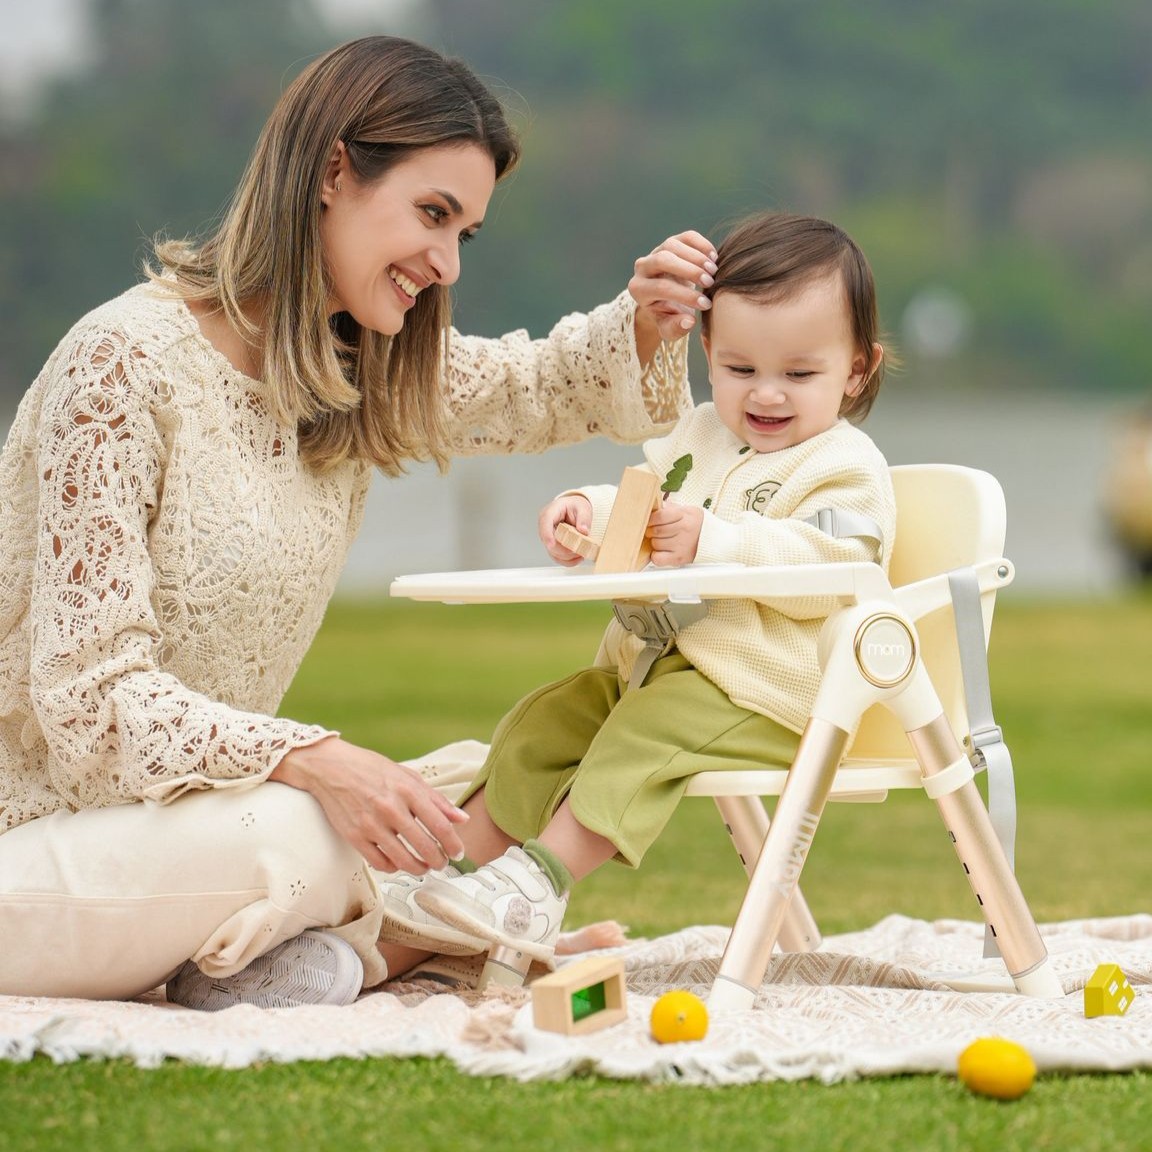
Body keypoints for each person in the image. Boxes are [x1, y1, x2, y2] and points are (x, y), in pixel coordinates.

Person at [0, 35, 716, 1008]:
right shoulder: (124, 362)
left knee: (487, 782)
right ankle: (407, 942)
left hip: (198, 835)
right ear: (334, 170)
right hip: (35, 851)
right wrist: (311, 760)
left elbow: (538, 387)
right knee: (308, 827)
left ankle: (300, 960)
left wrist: (644, 319)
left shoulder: (358, 369)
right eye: (432, 214)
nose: (445, 261)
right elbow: (88, 697)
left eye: (465, 233)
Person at [378, 211, 898, 970]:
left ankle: (537, 884)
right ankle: (451, 885)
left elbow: (840, 566)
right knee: (547, 720)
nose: (768, 395)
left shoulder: (845, 466)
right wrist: (589, 512)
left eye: (800, 373)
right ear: (709, 354)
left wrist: (715, 542)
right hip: (651, 670)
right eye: (741, 369)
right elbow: (646, 494)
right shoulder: (702, 436)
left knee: (641, 736)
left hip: (771, 692)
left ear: (856, 370)